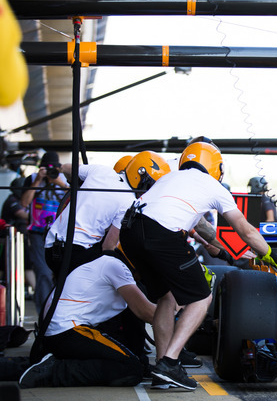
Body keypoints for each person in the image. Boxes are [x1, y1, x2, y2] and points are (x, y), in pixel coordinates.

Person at [118, 142, 277, 391]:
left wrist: (222, 251)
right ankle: (171, 362)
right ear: (217, 167)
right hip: (161, 233)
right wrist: (267, 252)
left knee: (167, 296)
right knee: (201, 296)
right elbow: (245, 230)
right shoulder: (213, 186)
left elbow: (203, 228)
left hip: (130, 231)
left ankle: (163, 367)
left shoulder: (172, 178)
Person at [17, 250, 155, 388]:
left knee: (125, 362)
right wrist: (174, 314)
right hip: (67, 329)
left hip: (57, 330)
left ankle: (53, 363)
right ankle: (54, 371)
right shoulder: (115, 267)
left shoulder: (102, 262)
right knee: (130, 368)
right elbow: (145, 312)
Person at [44, 151, 171, 277]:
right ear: (141, 175)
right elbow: (108, 247)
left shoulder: (102, 171)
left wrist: (77, 185)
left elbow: (66, 168)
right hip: (76, 254)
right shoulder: (129, 203)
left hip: (50, 247)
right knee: (121, 273)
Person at [19, 151, 68, 313]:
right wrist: (39, 179)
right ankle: (45, 313)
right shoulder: (33, 179)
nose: (50, 172)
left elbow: (76, 201)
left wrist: (59, 182)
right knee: (43, 273)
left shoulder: (65, 181)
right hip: (38, 233)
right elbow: (24, 203)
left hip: (60, 235)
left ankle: (59, 310)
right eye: (48, 169)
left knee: (63, 273)